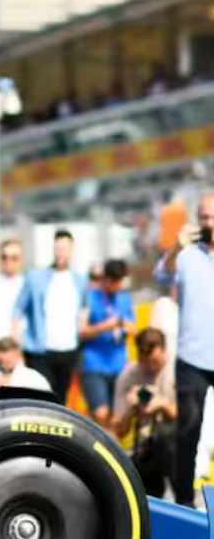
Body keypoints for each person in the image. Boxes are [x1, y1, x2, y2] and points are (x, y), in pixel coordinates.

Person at [156, 193, 214, 507]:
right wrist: (176, 246)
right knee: (187, 432)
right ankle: (182, 503)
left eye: (213, 217)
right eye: (204, 217)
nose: (209, 223)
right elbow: (161, 275)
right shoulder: (187, 255)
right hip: (193, 358)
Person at [13, 228, 87, 403]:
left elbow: (84, 309)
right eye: (58, 248)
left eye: (65, 248)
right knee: (42, 396)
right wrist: (16, 339)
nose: (61, 253)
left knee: (61, 398)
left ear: (72, 250)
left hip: (69, 348)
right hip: (40, 349)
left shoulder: (80, 279)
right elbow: (18, 309)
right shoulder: (35, 278)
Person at [111, 328, 177, 498]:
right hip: (143, 449)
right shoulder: (128, 376)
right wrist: (130, 409)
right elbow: (119, 430)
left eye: (154, 361)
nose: (149, 367)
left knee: (165, 436)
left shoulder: (177, 372)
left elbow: (189, 419)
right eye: (144, 361)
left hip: (175, 446)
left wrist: (162, 405)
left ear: (164, 351)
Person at [79, 259, 136, 429]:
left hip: (119, 364)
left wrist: (125, 327)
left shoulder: (124, 299)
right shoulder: (90, 297)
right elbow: (82, 332)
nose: (119, 285)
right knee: (100, 413)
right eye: (116, 281)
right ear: (107, 279)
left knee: (116, 417)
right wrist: (106, 326)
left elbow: (133, 328)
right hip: (94, 364)